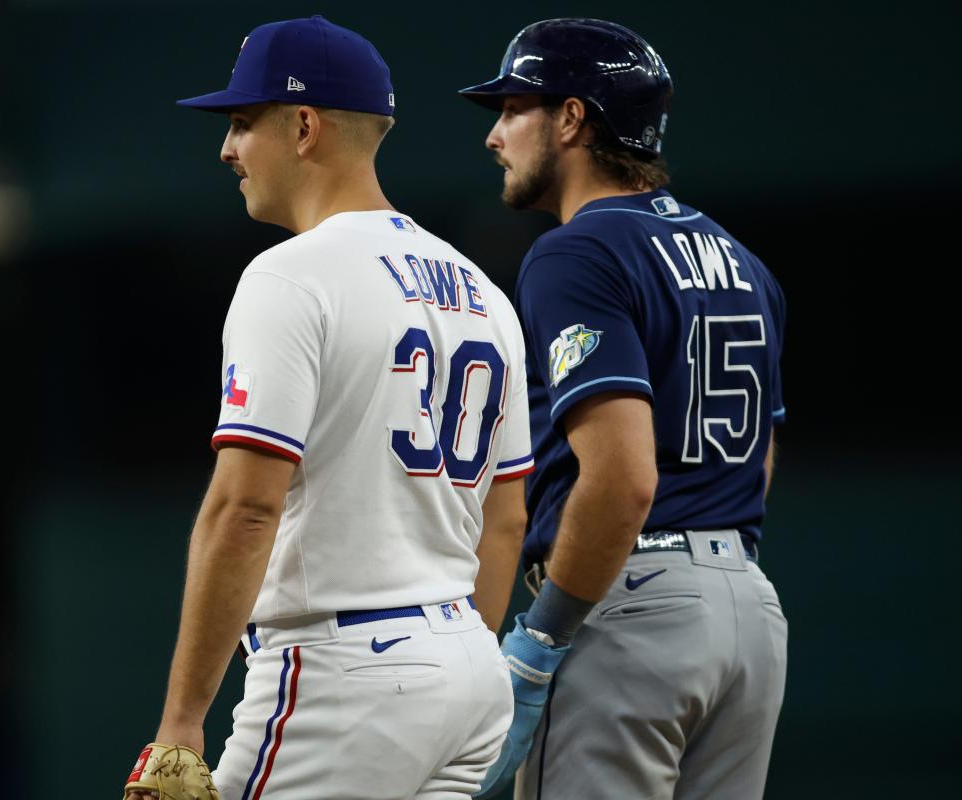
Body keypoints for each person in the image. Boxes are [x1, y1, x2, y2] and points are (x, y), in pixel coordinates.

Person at [123, 16, 534, 800]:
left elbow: (246, 507)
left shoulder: (290, 277)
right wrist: (449, 669)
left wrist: (180, 725)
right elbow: (506, 520)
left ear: (304, 126)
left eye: (243, 123)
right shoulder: (484, 291)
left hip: (344, 675)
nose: (227, 149)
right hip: (468, 670)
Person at [457, 18, 789, 800]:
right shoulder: (742, 260)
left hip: (628, 605)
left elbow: (623, 475)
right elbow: (760, 459)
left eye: (513, 108)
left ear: (572, 118)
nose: (494, 135)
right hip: (747, 607)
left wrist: (542, 637)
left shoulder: (577, 251)